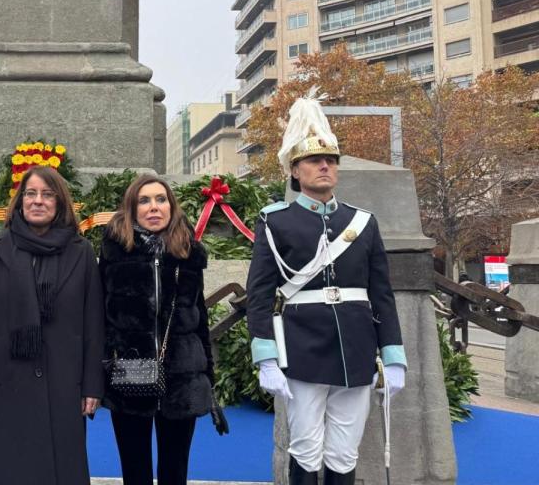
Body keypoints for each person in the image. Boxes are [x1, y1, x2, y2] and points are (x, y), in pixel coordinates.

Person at [245, 92, 407, 485]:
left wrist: (393, 354)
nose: (324, 166)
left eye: (331, 161)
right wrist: (266, 355)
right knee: (305, 446)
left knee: (343, 450)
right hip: (302, 348)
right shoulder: (276, 222)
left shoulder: (362, 222)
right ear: (295, 171)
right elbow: (261, 293)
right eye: (314, 161)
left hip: (355, 347)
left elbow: (380, 294)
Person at [0, 167, 104, 485]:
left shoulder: (82, 253)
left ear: (60, 201)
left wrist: (93, 384)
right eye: (31, 193)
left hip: (65, 383)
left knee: (64, 470)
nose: (38, 201)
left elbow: (93, 323)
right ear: (20, 200)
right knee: (10, 469)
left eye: (47, 194)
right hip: (8, 384)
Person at [100, 174, 220, 485]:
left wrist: (207, 372)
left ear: (171, 206)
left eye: (161, 199)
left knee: (174, 471)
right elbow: (100, 313)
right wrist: (104, 361)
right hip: (130, 369)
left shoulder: (188, 252)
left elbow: (200, 316)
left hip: (182, 375)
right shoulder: (114, 252)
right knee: (134, 470)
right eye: (144, 200)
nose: (154, 207)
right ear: (132, 209)